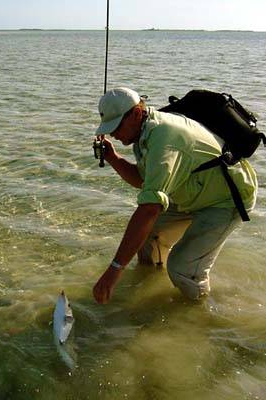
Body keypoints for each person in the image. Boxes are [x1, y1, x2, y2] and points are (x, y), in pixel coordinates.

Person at [92, 87, 257, 304]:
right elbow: (144, 181)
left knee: (182, 268)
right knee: (147, 239)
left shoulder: (164, 137)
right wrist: (113, 158)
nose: (112, 133)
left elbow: (150, 208)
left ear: (135, 114)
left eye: (115, 126)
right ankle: (148, 290)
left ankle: (197, 313)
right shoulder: (144, 131)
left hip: (224, 201)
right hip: (192, 194)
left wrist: (113, 271)